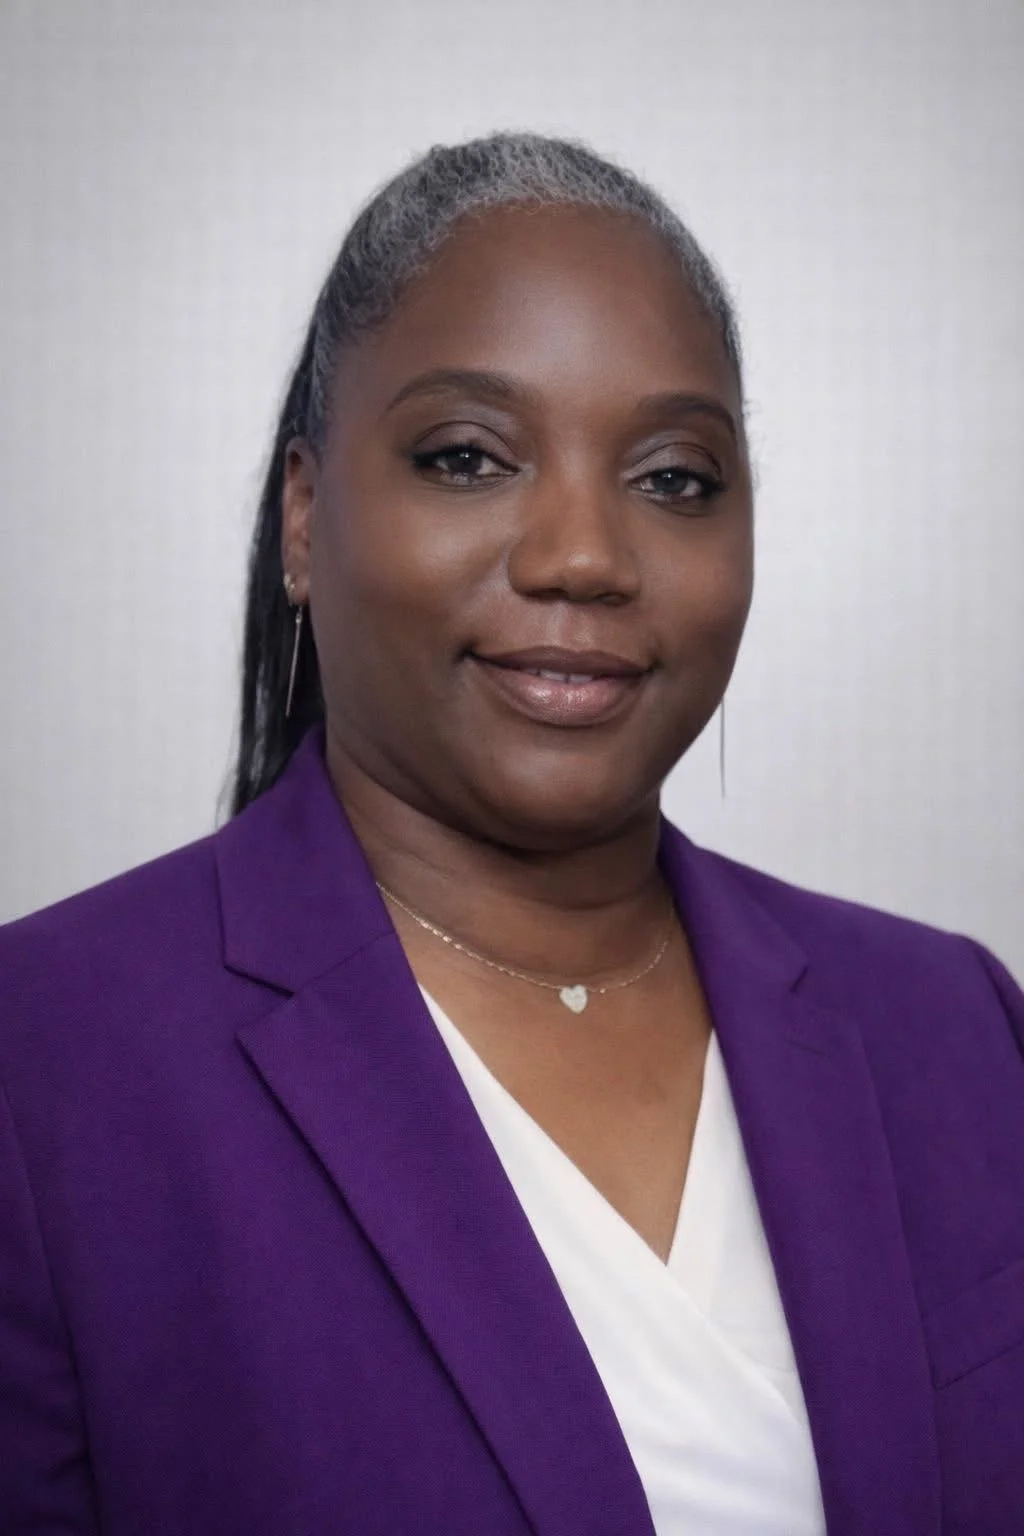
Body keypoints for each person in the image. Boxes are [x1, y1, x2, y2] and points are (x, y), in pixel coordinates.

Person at [1, 131, 1022, 1536]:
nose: (585, 556)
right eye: (468, 456)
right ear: (307, 518)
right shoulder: (45, 1063)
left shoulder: (954, 1025)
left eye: (674, 478)